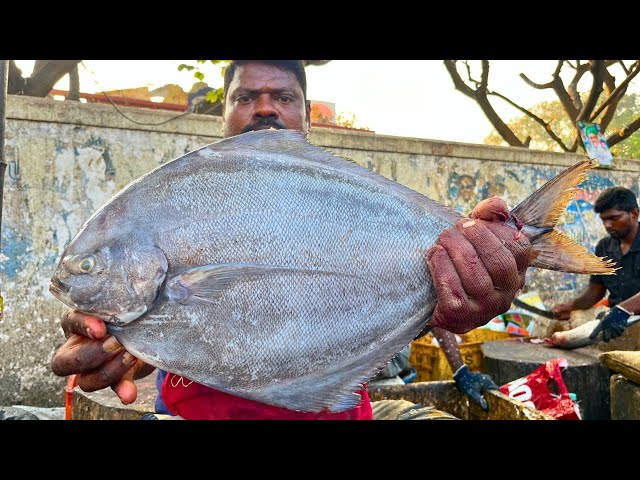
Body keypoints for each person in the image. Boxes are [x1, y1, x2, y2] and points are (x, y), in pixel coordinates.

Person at [50, 60, 531, 420]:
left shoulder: (357, 202)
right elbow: (166, 332)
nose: (264, 107)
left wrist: (458, 293)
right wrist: (118, 340)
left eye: (282, 96)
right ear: (223, 115)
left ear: (307, 116)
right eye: (245, 97)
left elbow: (411, 287)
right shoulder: (172, 203)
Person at [552, 186, 640, 342]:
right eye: (604, 220)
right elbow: (596, 289)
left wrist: (622, 311)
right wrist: (572, 306)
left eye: (614, 218)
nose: (607, 225)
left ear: (633, 214)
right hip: (616, 326)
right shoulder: (604, 247)